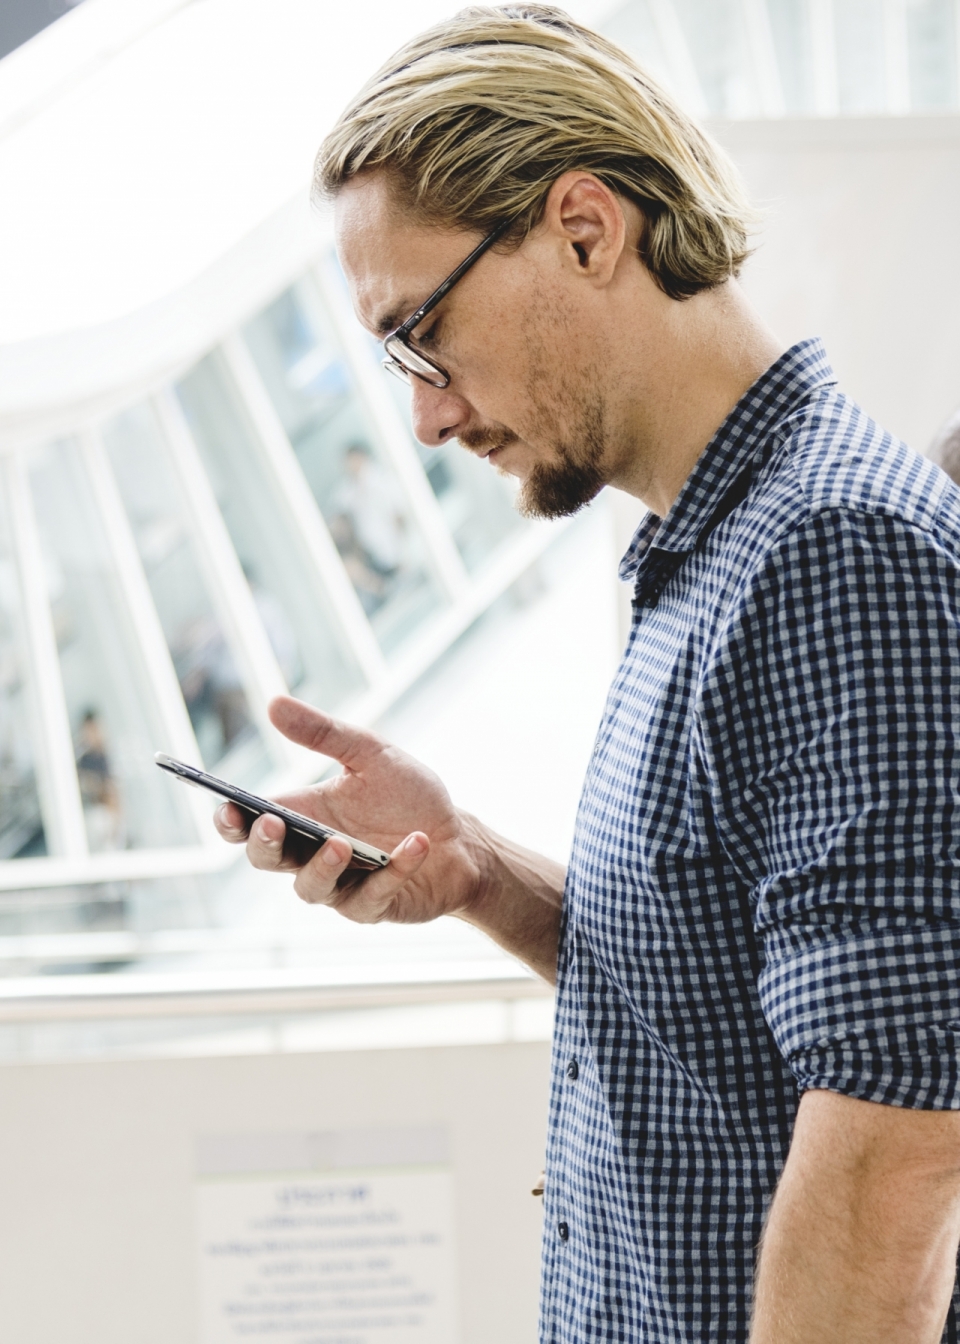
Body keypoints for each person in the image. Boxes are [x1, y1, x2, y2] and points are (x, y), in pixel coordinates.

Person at [215, 7, 960, 1341]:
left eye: (422, 336)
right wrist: (474, 869)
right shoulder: (707, 553)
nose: (430, 415)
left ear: (585, 227)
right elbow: (728, 998)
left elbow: (900, 1145)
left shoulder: (837, 556)